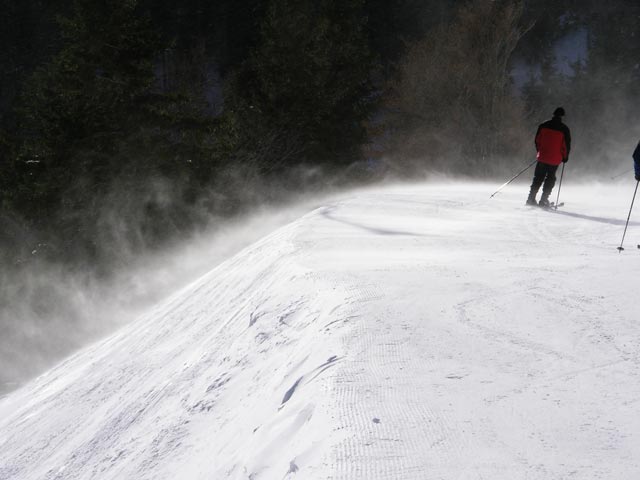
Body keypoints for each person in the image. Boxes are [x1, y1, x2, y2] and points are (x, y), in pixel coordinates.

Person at [526, 107, 571, 207]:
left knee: (538, 178)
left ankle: (530, 198)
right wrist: (565, 157)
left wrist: (540, 151)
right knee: (550, 178)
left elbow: (537, 140)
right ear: (562, 116)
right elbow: (566, 146)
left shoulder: (543, 125)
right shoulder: (564, 129)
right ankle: (543, 200)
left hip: (542, 156)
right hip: (555, 159)